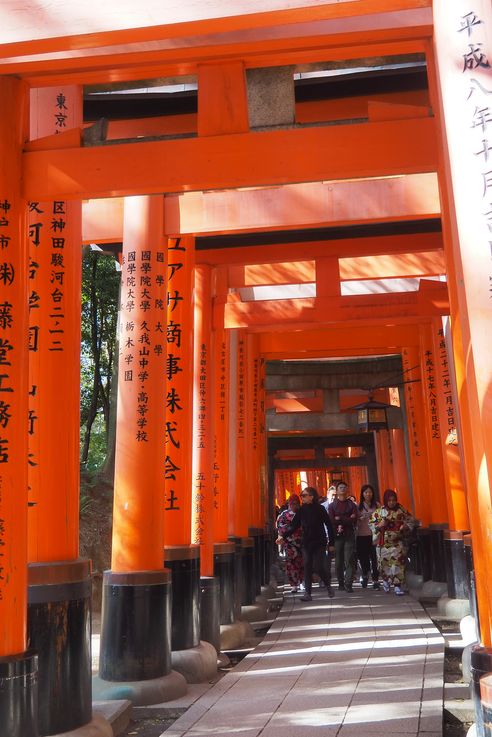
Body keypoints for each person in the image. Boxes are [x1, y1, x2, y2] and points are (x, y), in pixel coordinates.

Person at [276, 486, 335, 602]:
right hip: (306, 542)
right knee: (307, 565)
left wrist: (331, 542)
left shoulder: (320, 509)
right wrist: (283, 537)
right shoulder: (302, 510)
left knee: (318, 566)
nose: (302, 498)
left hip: (319, 542)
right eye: (301, 496)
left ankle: (328, 585)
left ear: (311, 497)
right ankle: (308, 593)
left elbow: (329, 525)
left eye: (304, 495)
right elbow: (293, 526)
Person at [369, 489, 416, 595]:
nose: (391, 502)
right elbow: (371, 524)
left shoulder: (401, 510)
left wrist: (406, 526)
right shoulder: (379, 512)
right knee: (384, 564)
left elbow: (410, 520)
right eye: (389, 500)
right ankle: (386, 580)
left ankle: (397, 585)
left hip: (397, 542)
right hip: (383, 543)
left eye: (393, 500)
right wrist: (378, 526)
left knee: (398, 563)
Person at [328, 481, 358, 592]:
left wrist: (339, 518)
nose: (342, 489)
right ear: (336, 490)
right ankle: (340, 582)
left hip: (349, 534)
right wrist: (347, 518)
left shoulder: (352, 505)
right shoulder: (332, 505)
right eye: (340, 487)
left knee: (349, 559)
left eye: (344, 487)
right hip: (337, 535)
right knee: (338, 561)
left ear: (347, 489)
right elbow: (331, 520)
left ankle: (348, 583)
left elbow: (354, 519)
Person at [276, 494, 304, 592]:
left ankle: (302, 581)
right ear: (289, 504)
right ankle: (293, 584)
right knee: (291, 564)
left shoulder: (302, 512)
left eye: (296, 503)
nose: (294, 505)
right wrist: (288, 532)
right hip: (289, 543)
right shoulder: (284, 515)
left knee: (302, 563)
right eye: (292, 503)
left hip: (302, 542)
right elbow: (280, 526)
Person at [356, 484, 380, 590]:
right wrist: (360, 518)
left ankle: (375, 580)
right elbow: (354, 521)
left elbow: (383, 517)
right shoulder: (358, 507)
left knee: (375, 558)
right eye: (366, 492)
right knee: (364, 558)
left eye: (370, 492)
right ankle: (365, 574)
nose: (368, 494)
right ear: (362, 494)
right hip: (362, 535)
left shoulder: (377, 505)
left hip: (375, 535)